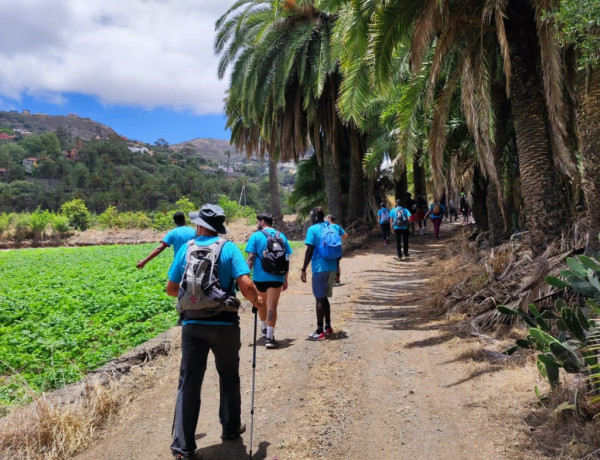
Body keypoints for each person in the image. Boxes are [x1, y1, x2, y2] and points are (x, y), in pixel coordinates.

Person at [166, 204, 263, 459]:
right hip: (224, 325)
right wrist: (257, 302)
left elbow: (171, 288)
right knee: (229, 375)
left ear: (199, 225)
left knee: (189, 382)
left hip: (192, 325)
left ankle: (183, 447)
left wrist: (196, 298)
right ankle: (230, 428)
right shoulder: (228, 248)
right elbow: (245, 284)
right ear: (218, 227)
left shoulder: (186, 249)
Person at [245, 212, 293, 349]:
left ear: (262, 222)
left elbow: (250, 258)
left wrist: (245, 277)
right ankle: (270, 338)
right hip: (277, 276)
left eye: (258, 221)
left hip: (260, 277)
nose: (257, 224)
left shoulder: (256, 236)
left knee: (261, 303)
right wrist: (285, 279)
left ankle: (264, 327)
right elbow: (286, 259)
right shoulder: (281, 236)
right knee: (272, 306)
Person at [301, 207, 339, 341]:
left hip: (319, 268)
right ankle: (328, 327)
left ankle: (319, 331)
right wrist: (337, 269)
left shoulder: (313, 230)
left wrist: (303, 268)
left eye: (311, 216)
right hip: (332, 267)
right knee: (325, 298)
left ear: (316, 216)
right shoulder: (332, 227)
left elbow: (309, 250)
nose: (310, 218)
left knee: (319, 299)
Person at [326, 214, 348, 283]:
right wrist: (339, 238)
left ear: (329, 218)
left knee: (328, 263)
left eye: (326, 218)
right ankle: (337, 278)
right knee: (337, 264)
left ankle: (331, 279)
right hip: (337, 248)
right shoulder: (338, 227)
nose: (326, 219)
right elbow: (345, 236)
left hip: (328, 248)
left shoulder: (326, 227)